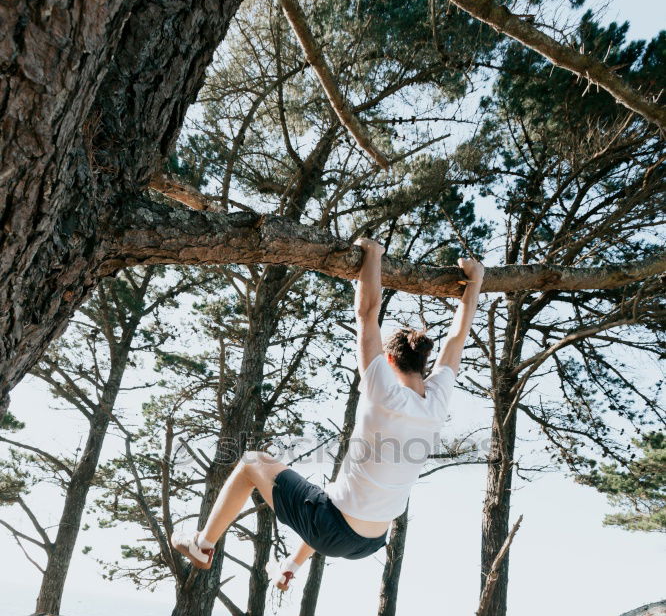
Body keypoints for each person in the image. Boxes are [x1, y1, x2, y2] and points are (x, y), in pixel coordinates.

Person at [171, 239, 484, 589]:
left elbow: (367, 312)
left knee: (250, 463)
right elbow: (457, 339)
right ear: (424, 363)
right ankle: (292, 564)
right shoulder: (437, 399)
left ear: (390, 360)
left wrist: (373, 256)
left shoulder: (384, 389)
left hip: (334, 527)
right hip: (371, 541)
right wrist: (476, 281)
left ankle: (203, 545)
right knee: (334, 494)